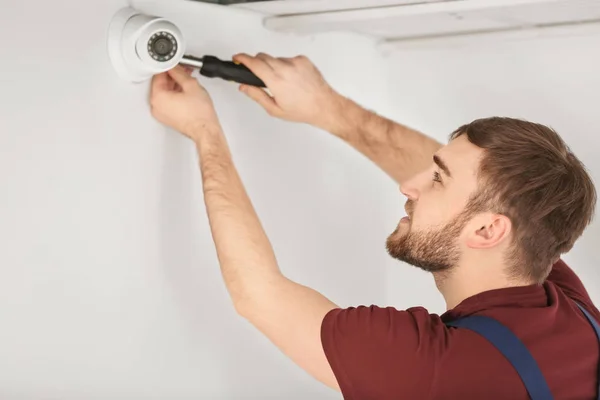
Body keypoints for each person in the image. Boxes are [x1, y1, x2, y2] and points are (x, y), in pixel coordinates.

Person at [148, 53, 599, 399]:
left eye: (436, 180)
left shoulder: (433, 367)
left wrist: (204, 130)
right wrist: (327, 107)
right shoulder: (569, 309)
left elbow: (259, 294)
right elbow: (479, 192)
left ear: (486, 233)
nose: (409, 185)